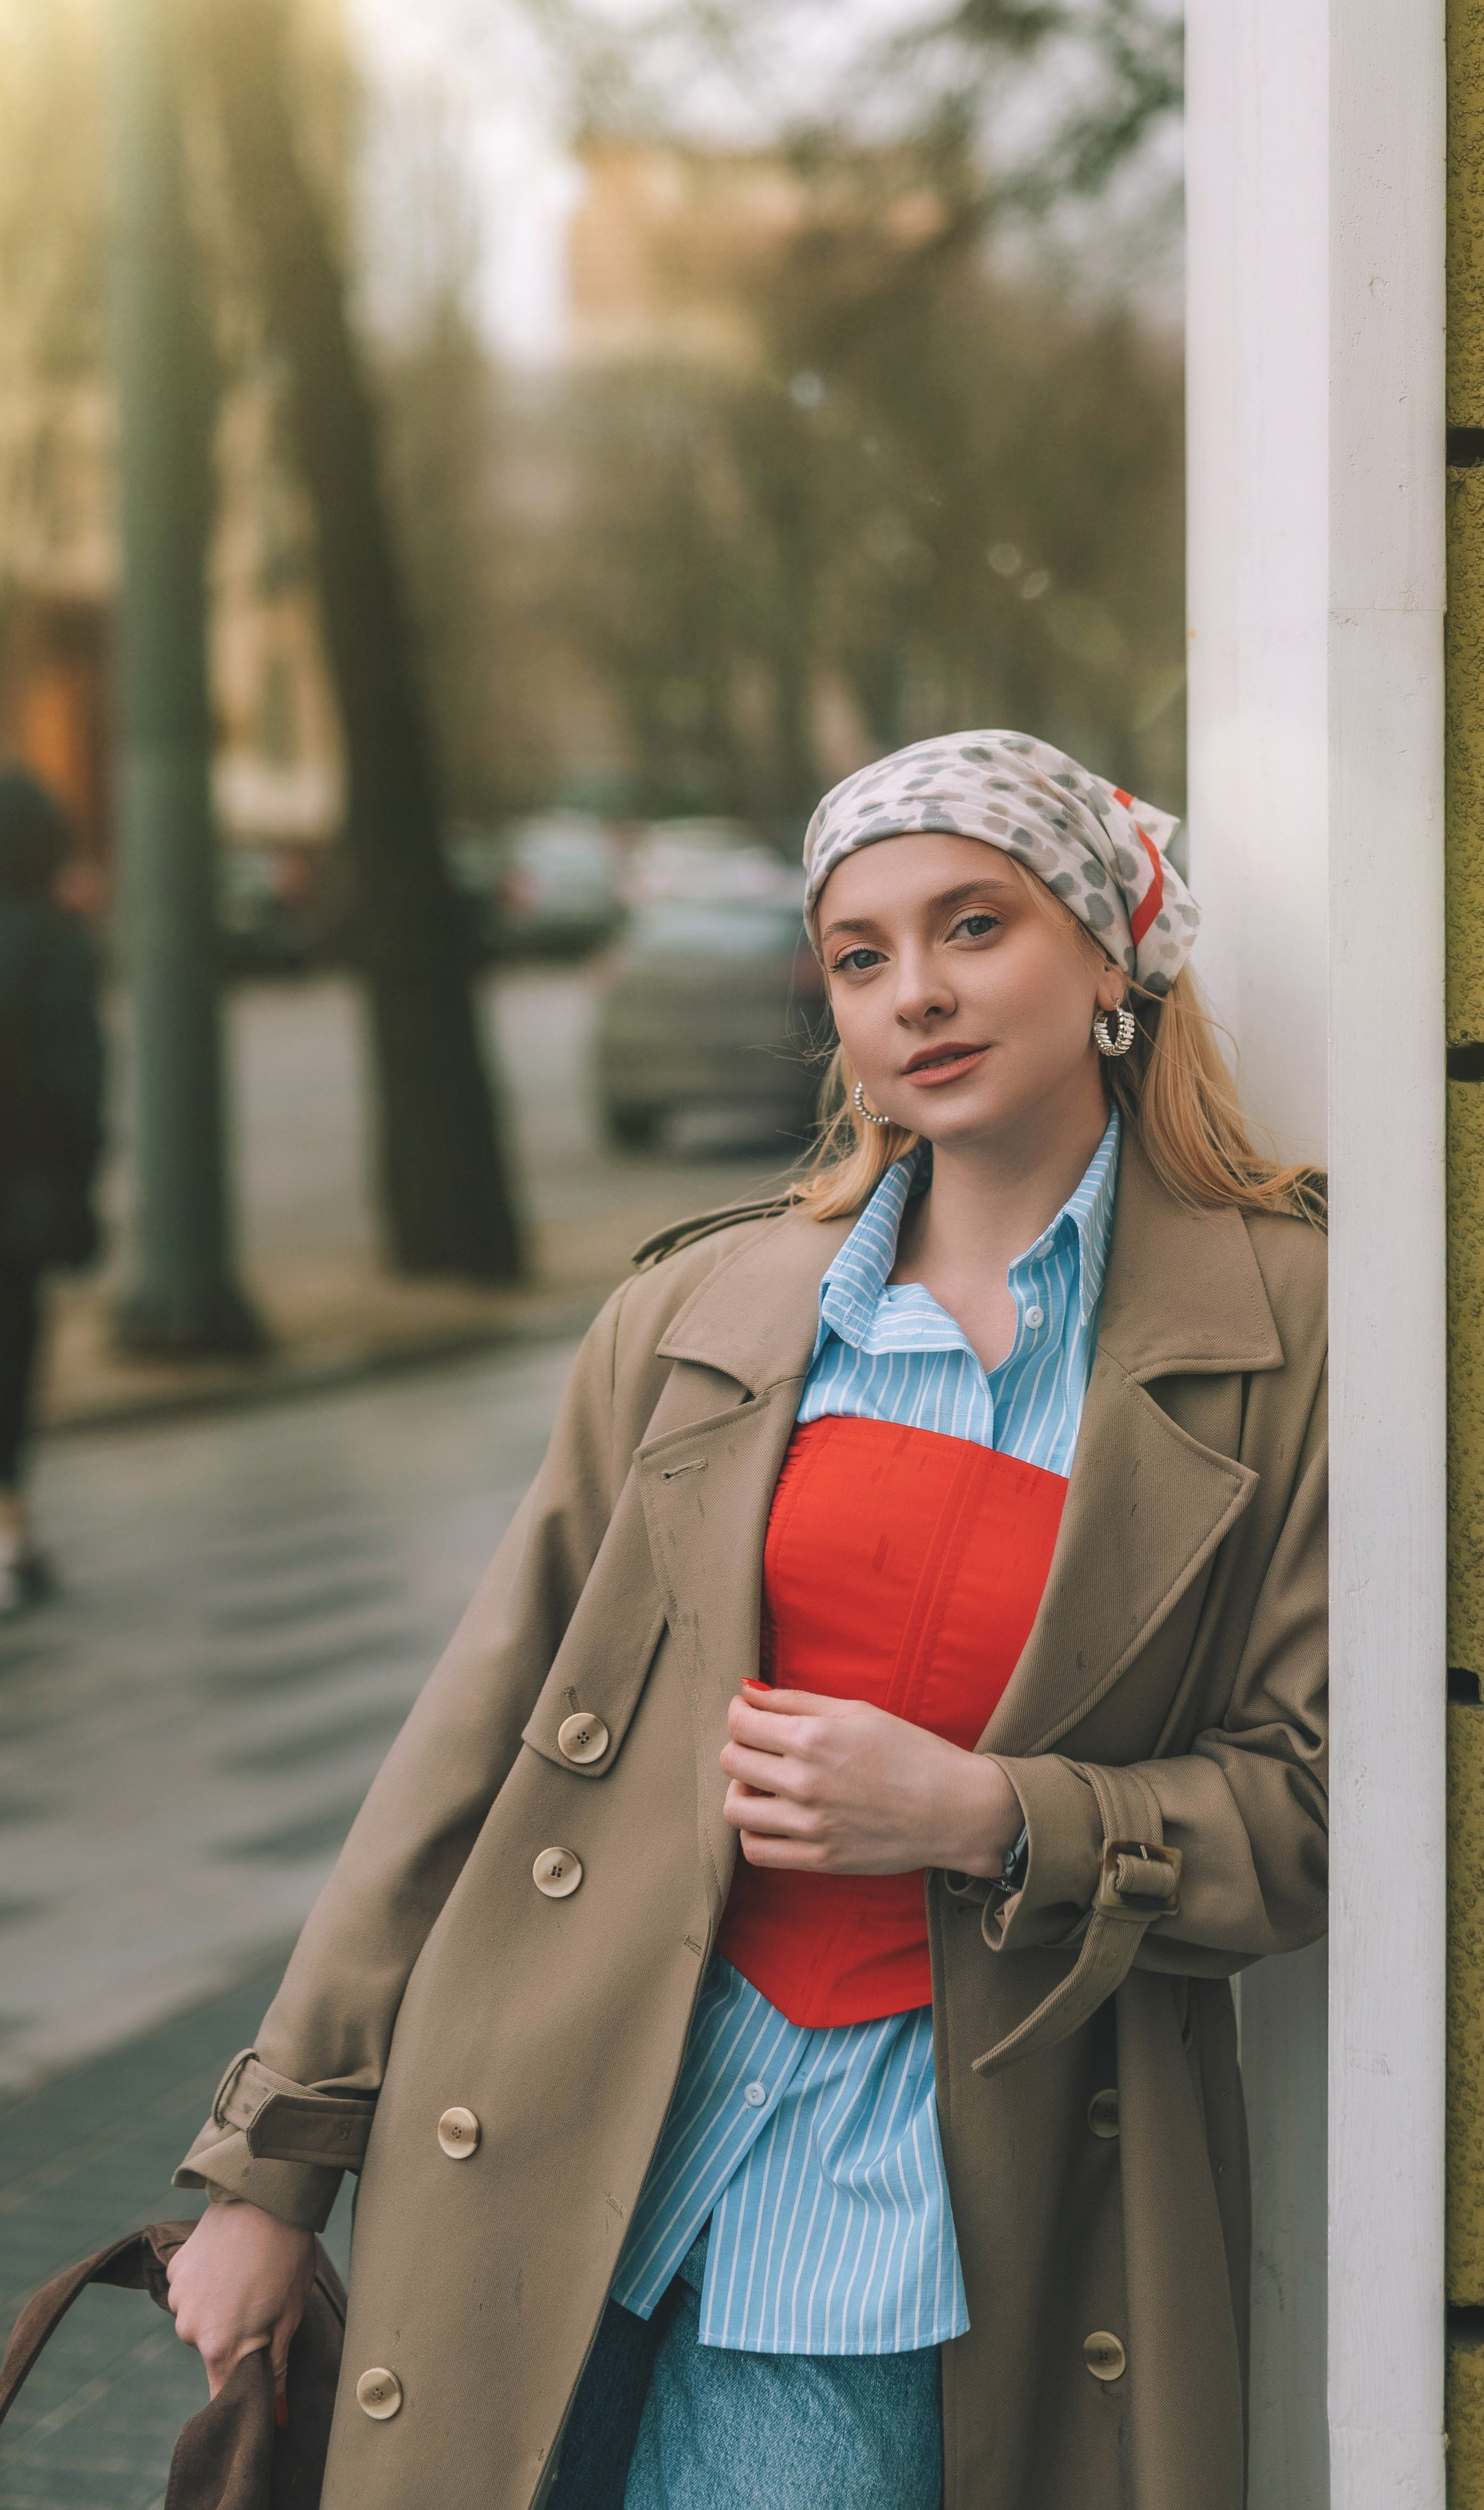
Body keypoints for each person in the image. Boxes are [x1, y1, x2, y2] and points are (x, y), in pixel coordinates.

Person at [165, 731, 1329, 2510]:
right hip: (547, 2136)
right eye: (860, 954)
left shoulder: (1287, 1325)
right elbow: (466, 1757)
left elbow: (1310, 1804)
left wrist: (982, 1810)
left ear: (1111, 954)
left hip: (909, 2190)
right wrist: (272, 2169)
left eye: (972, 924)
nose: (915, 992)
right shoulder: (695, 1310)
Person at [0, 769, 105, 1615]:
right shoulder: (53, 941)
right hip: (18, 1190)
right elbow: (76, 1079)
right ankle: (10, 1524)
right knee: (10, 1350)